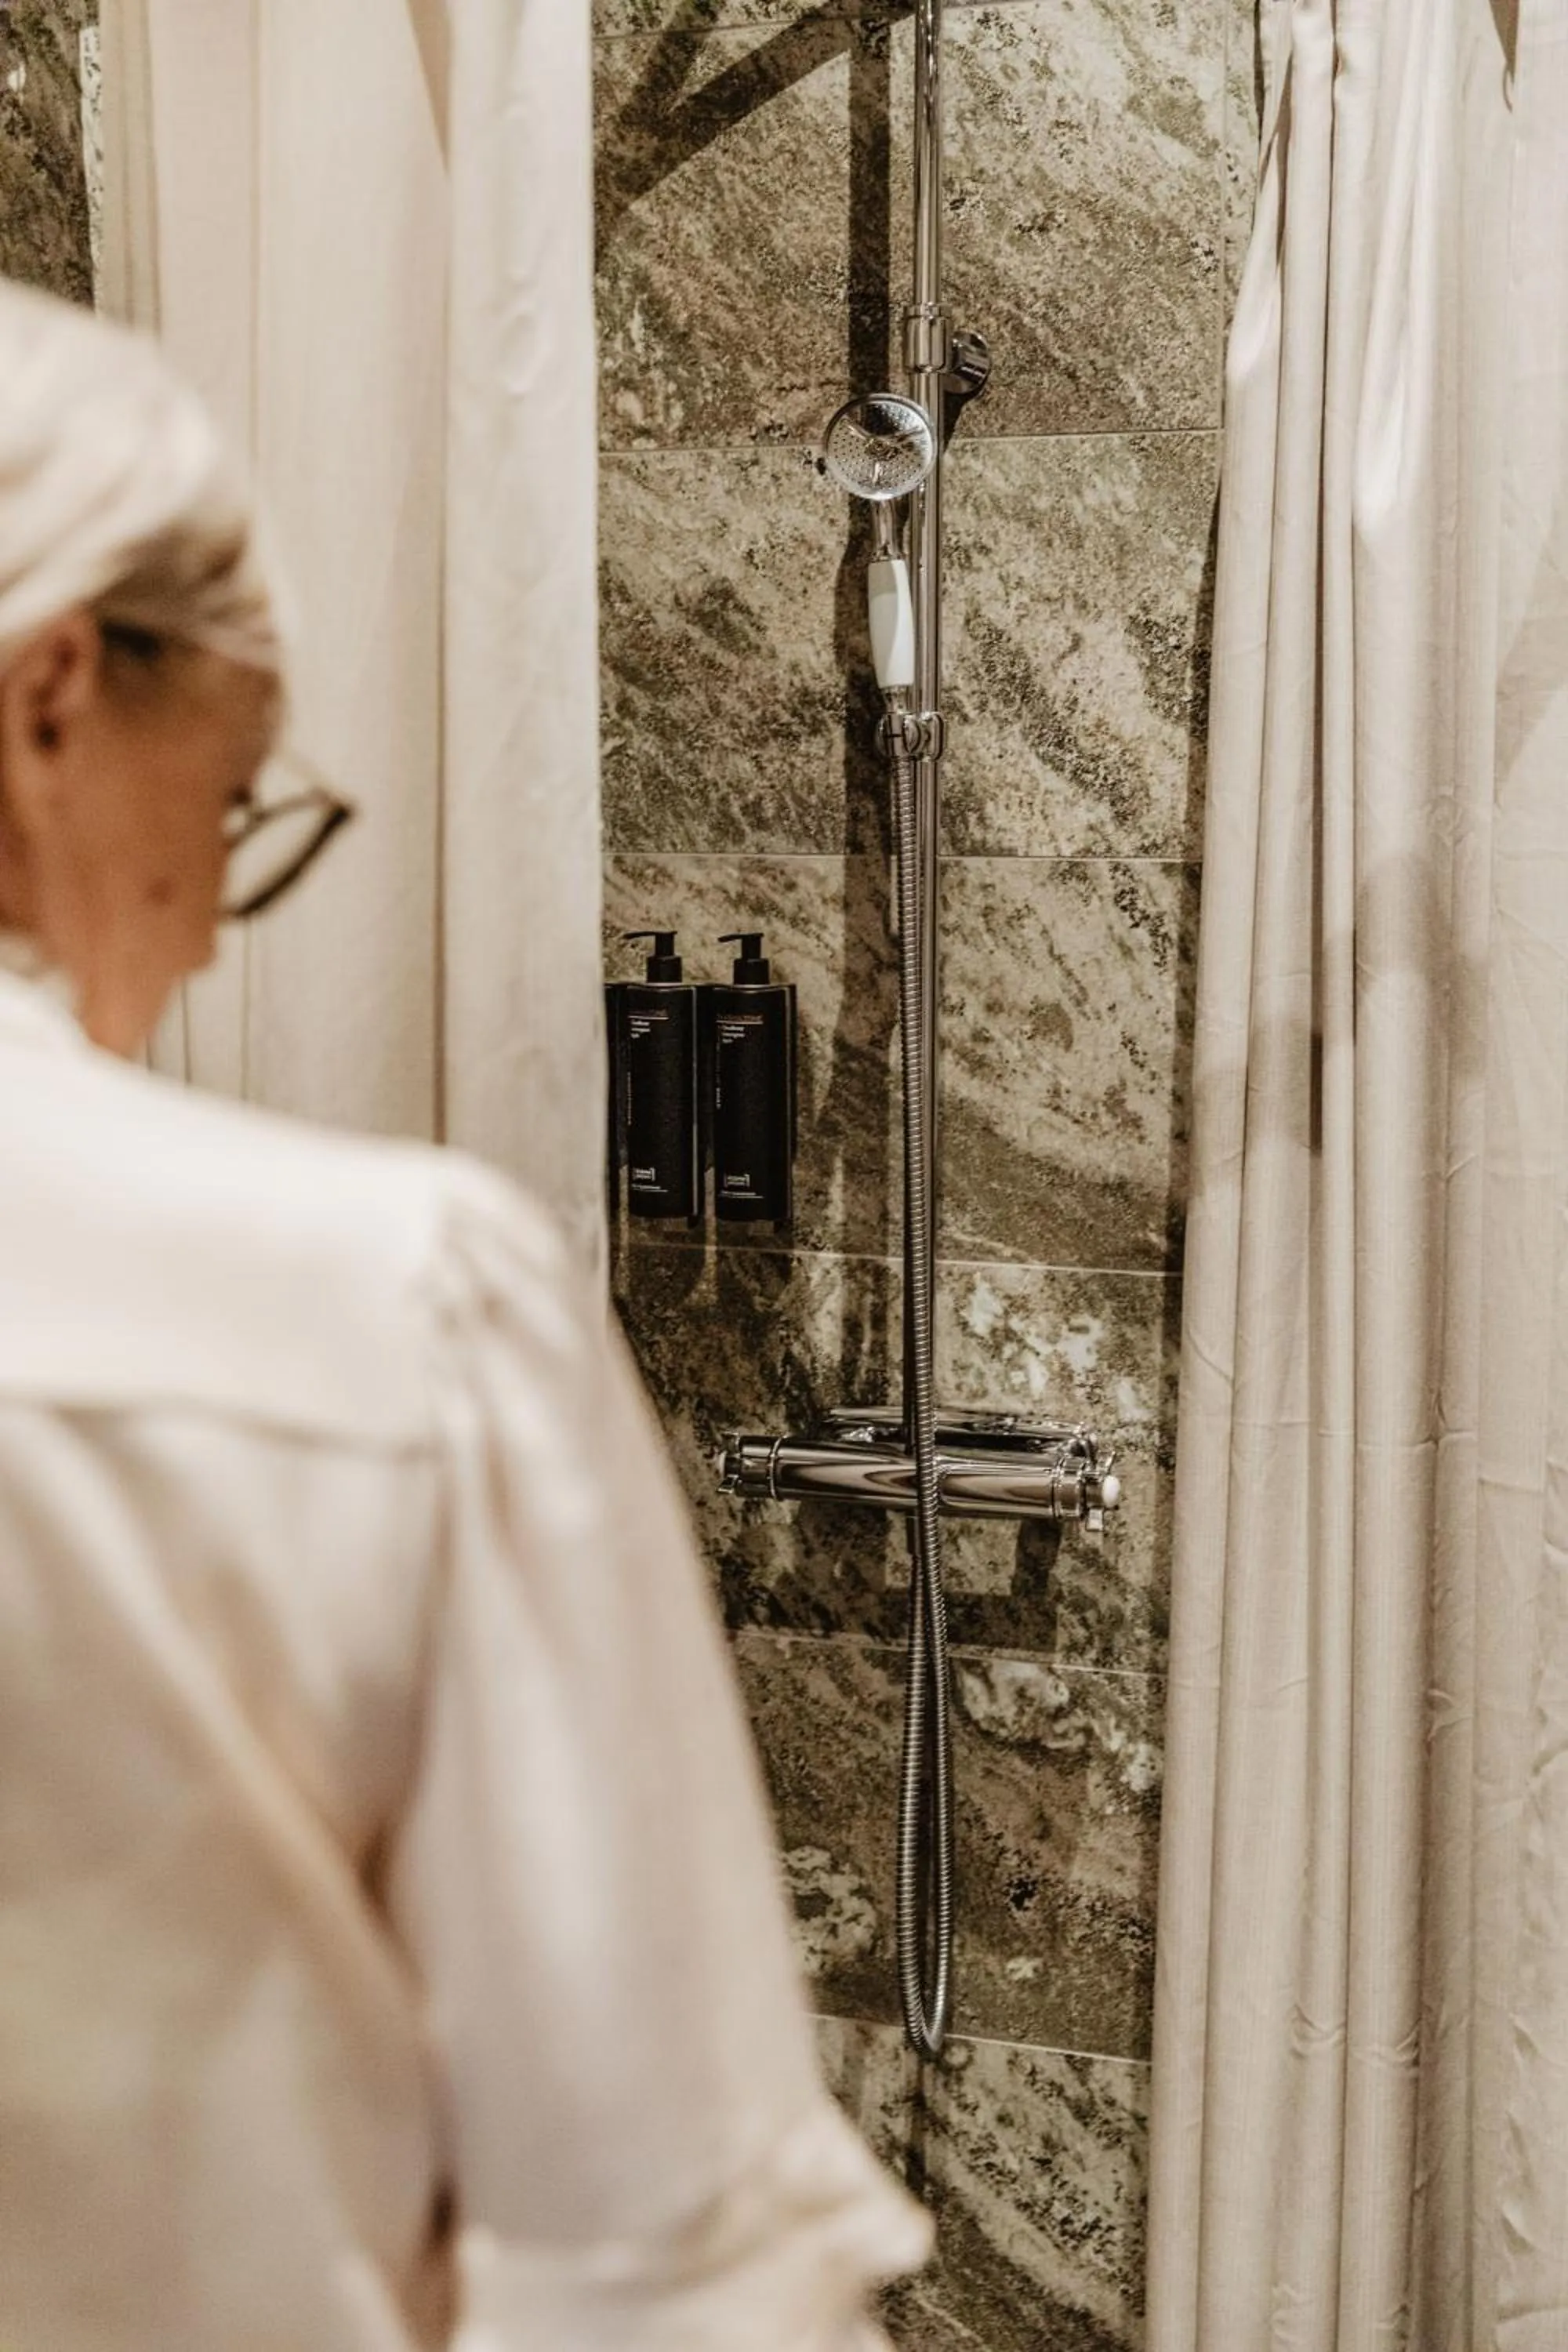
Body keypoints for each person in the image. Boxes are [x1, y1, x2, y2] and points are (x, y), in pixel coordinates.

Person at [0, 278, 930, 2350]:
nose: (211, 917)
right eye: (231, 806)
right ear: (54, 696)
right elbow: (660, 2264)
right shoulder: (390, 1311)